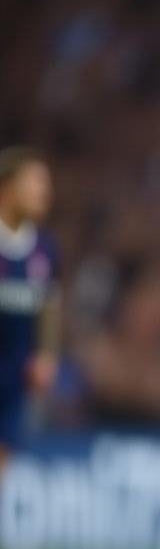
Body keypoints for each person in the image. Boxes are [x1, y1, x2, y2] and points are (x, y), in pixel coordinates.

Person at [0, 147, 60, 463]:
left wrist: (46, 353)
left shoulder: (44, 248)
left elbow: (49, 302)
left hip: (14, 376)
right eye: (35, 183)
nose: (44, 192)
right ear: (7, 188)